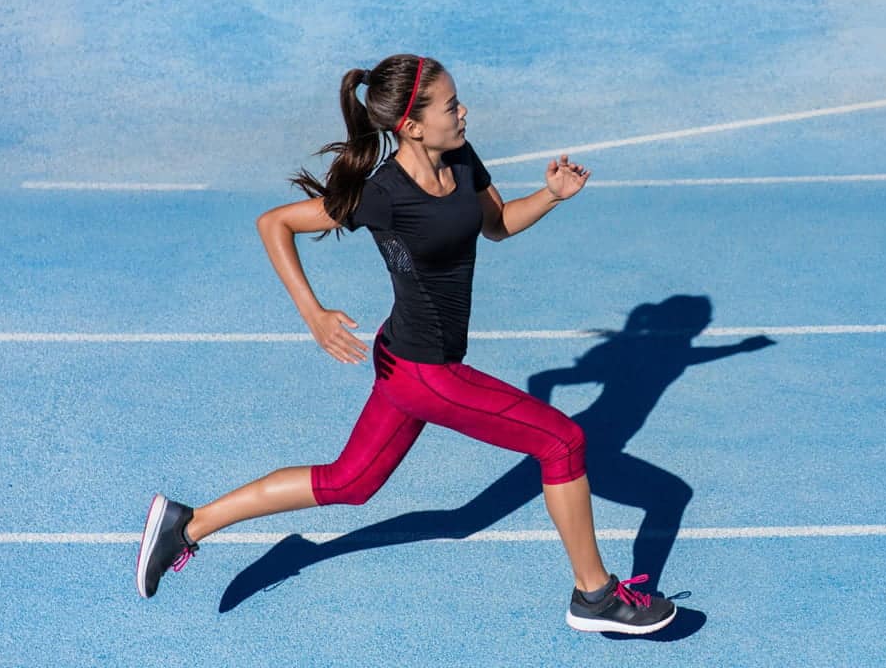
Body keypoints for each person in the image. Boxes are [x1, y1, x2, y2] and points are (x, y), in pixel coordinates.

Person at [135, 53, 676, 635]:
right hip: (424, 372)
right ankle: (594, 596)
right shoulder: (383, 194)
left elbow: (497, 224)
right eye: (451, 105)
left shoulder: (462, 158)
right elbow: (276, 223)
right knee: (563, 442)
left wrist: (551, 195)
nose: (464, 111)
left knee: (350, 483)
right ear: (412, 126)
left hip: (403, 365)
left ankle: (187, 525)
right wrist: (313, 315)